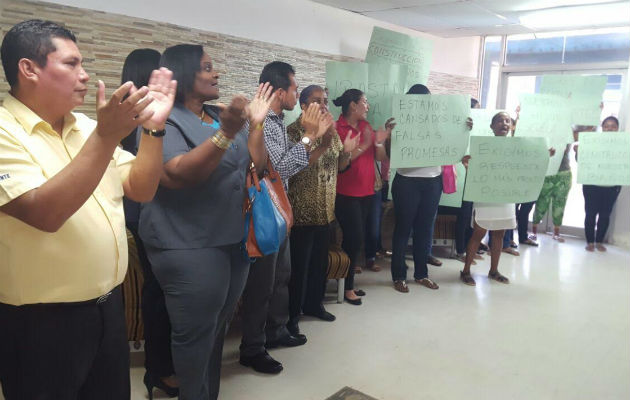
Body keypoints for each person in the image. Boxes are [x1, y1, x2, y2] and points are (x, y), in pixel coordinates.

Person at [0, 19, 175, 399]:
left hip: (107, 304)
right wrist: (107, 135)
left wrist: (154, 129)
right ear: (28, 69)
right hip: (40, 321)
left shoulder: (84, 126)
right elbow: (45, 214)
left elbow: (141, 189)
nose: (84, 75)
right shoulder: (4, 130)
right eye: (71, 64)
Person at [138, 44, 272, 400]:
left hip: (233, 239)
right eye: (208, 68)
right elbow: (177, 175)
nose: (217, 74)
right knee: (194, 335)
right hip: (186, 243)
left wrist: (254, 125)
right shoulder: (160, 117)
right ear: (183, 74)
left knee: (215, 330)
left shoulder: (218, 113)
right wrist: (226, 135)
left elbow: (256, 165)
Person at [239, 61, 329, 374]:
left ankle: (275, 332)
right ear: (280, 91)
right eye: (294, 88)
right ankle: (252, 347)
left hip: (279, 212)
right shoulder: (259, 121)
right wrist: (307, 137)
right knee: (261, 285)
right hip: (263, 215)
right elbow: (278, 169)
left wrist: (311, 137)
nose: (296, 93)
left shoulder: (276, 121)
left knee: (280, 278)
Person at [119, 47, 178, 398]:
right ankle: (159, 369)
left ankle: (161, 367)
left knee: (162, 292)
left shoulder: (141, 108)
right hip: (145, 213)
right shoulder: (135, 113)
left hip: (150, 211)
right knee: (158, 293)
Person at [286, 84, 358, 334]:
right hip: (301, 213)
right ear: (303, 106)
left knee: (318, 265)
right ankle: (292, 316)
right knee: (298, 270)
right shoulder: (294, 131)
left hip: (326, 211)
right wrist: (324, 142)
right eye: (317, 101)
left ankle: (314, 305)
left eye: (325, 100)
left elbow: (339, 166)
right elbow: (296, 166)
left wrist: (347, 153)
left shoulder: (332, 132)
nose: (324, 105)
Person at [460, 112, 554, 286]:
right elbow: (474, 169)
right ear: (492, 126)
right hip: (486, 195)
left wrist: (543, 156)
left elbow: (528, 165)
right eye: (499, 121)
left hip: (506, 196)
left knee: (499, 234)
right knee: (479, 233)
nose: (504, 123)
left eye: (507, 121)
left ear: (511, 126)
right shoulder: (482, 146)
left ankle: (494, 271)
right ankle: (466, 271)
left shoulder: (517, 148)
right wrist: (467, 165)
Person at [334, 88, 393, 302]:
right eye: (364, 102)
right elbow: (342, 160)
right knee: (353, 239)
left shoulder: (366, 126)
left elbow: (381, 157)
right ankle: (346, 287)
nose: (368, 106)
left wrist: (380, 142)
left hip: (367, 193)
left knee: (356, 240)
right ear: (353, 105)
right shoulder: (336, 128)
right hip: (345, 194)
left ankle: (348, 284)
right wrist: (365, 144)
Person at [579, 116, 622, 251]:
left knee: (605, 215)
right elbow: (579, 159)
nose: (609, 128)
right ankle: (590, 241)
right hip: (591, 185)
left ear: (617, 129)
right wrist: (577, 152)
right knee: (590, 213)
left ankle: (599, 241)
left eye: (613, 126)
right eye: (606, 126)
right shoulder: (593, 141)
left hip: (611, 187)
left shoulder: (623, 145)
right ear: (602, 128)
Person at [530, 143, 575, 243]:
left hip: (564, 173)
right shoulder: (544, 134)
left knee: (560, 203)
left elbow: (583, 131)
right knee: (541, 202)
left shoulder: (567, 132)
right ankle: (533, 232)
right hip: (546, 172)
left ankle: (556, 233)